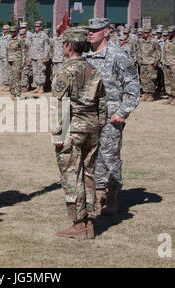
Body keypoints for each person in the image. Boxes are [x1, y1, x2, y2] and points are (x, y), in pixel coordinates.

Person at [51, 27, 107, 239]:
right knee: (89, 174)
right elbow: (102, 102)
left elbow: (61, 104)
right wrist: (99, 125)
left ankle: (79, 223)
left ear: (68, 46)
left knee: (72, 176)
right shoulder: (94, 69)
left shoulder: (65, 71)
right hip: (92, 127)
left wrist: (58, 134)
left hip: (73, 128)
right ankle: (90, 221)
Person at [85, 18, 140, 216]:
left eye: (96, 30)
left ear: (107, 32)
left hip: (110, 116)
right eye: (89, 30)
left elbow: (133, 87)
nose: (90, 33)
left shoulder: (118, 55)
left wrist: (122, 112)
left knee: (109, 157)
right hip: (88, 115)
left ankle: (112, 197)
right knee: (91, 157)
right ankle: (96, 197)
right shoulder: (87, 55)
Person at [137, 25, 161, 102]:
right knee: (143, 78)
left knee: (151, 79)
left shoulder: (154, 41)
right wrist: (139, 60)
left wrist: (156, 61)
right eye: (144, 32)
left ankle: (150, 94)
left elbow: (158, 52)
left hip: (151, 63)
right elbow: (139, 51)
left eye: (146, 32)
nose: (145, 34)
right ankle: (145, 93)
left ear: (149, 33)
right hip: (143, 62)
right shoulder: (141, 41)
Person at [29, 21, 50, 93]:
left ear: (41, 27)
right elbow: (31, 46)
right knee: (35, 72)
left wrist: (45, 57)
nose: (36, 28)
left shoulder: (44, 35)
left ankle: (42, 87)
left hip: (41, 57)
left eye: (37, 26)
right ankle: (37, 86)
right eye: (35, 26)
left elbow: (47, 47)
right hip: (34, 57)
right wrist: (31, 56)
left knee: (41, 72)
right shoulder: (33, 35)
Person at [6, 26, 26, 99]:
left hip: (17, 61)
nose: (11, 33)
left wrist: (23, 63)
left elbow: (24, 51)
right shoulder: (9, 39)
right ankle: (12, 93)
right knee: (10, 78)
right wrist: (6, 59)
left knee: (16, 77)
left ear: (16, 32)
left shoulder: (19, 39)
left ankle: (18, 94)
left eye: (13, 31)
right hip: (9, 61)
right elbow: (7, 51)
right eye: (10, 31)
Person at [0, 25, 10, 91]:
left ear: (8, 30)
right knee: (3, 71)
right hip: (2, 56)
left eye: (5, 29)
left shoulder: (9, 38)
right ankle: (5, 84)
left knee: (7, 71)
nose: (3, 30)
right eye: (3, 29)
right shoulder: (2, 37)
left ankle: (8, 85)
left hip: (7, 57)